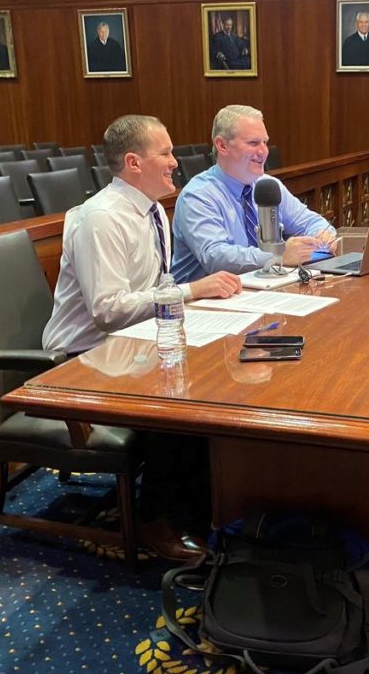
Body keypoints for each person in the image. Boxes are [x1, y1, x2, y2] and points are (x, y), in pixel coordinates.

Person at [42, 114, 241, 559]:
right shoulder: (102, 219)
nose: (175, 161)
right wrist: (191, 291)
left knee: (217, 382)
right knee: (182, 407)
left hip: (135, 344)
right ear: (134, 162)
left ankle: (203, 510)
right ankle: (157, 521)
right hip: (84, 359)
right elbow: (107, 311)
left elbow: (152, 291)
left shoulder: (153, 211)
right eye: (165, 153)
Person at [171, 105, 337, 283]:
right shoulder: (198, 195)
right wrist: (278, 255)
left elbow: (311, 222)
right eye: (253, 143)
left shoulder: (267, 185)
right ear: (222, 145)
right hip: (203, 303)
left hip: (261, 290)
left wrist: (321, 237)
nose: (263, 151)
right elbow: (215, 257)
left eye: (265, 142)